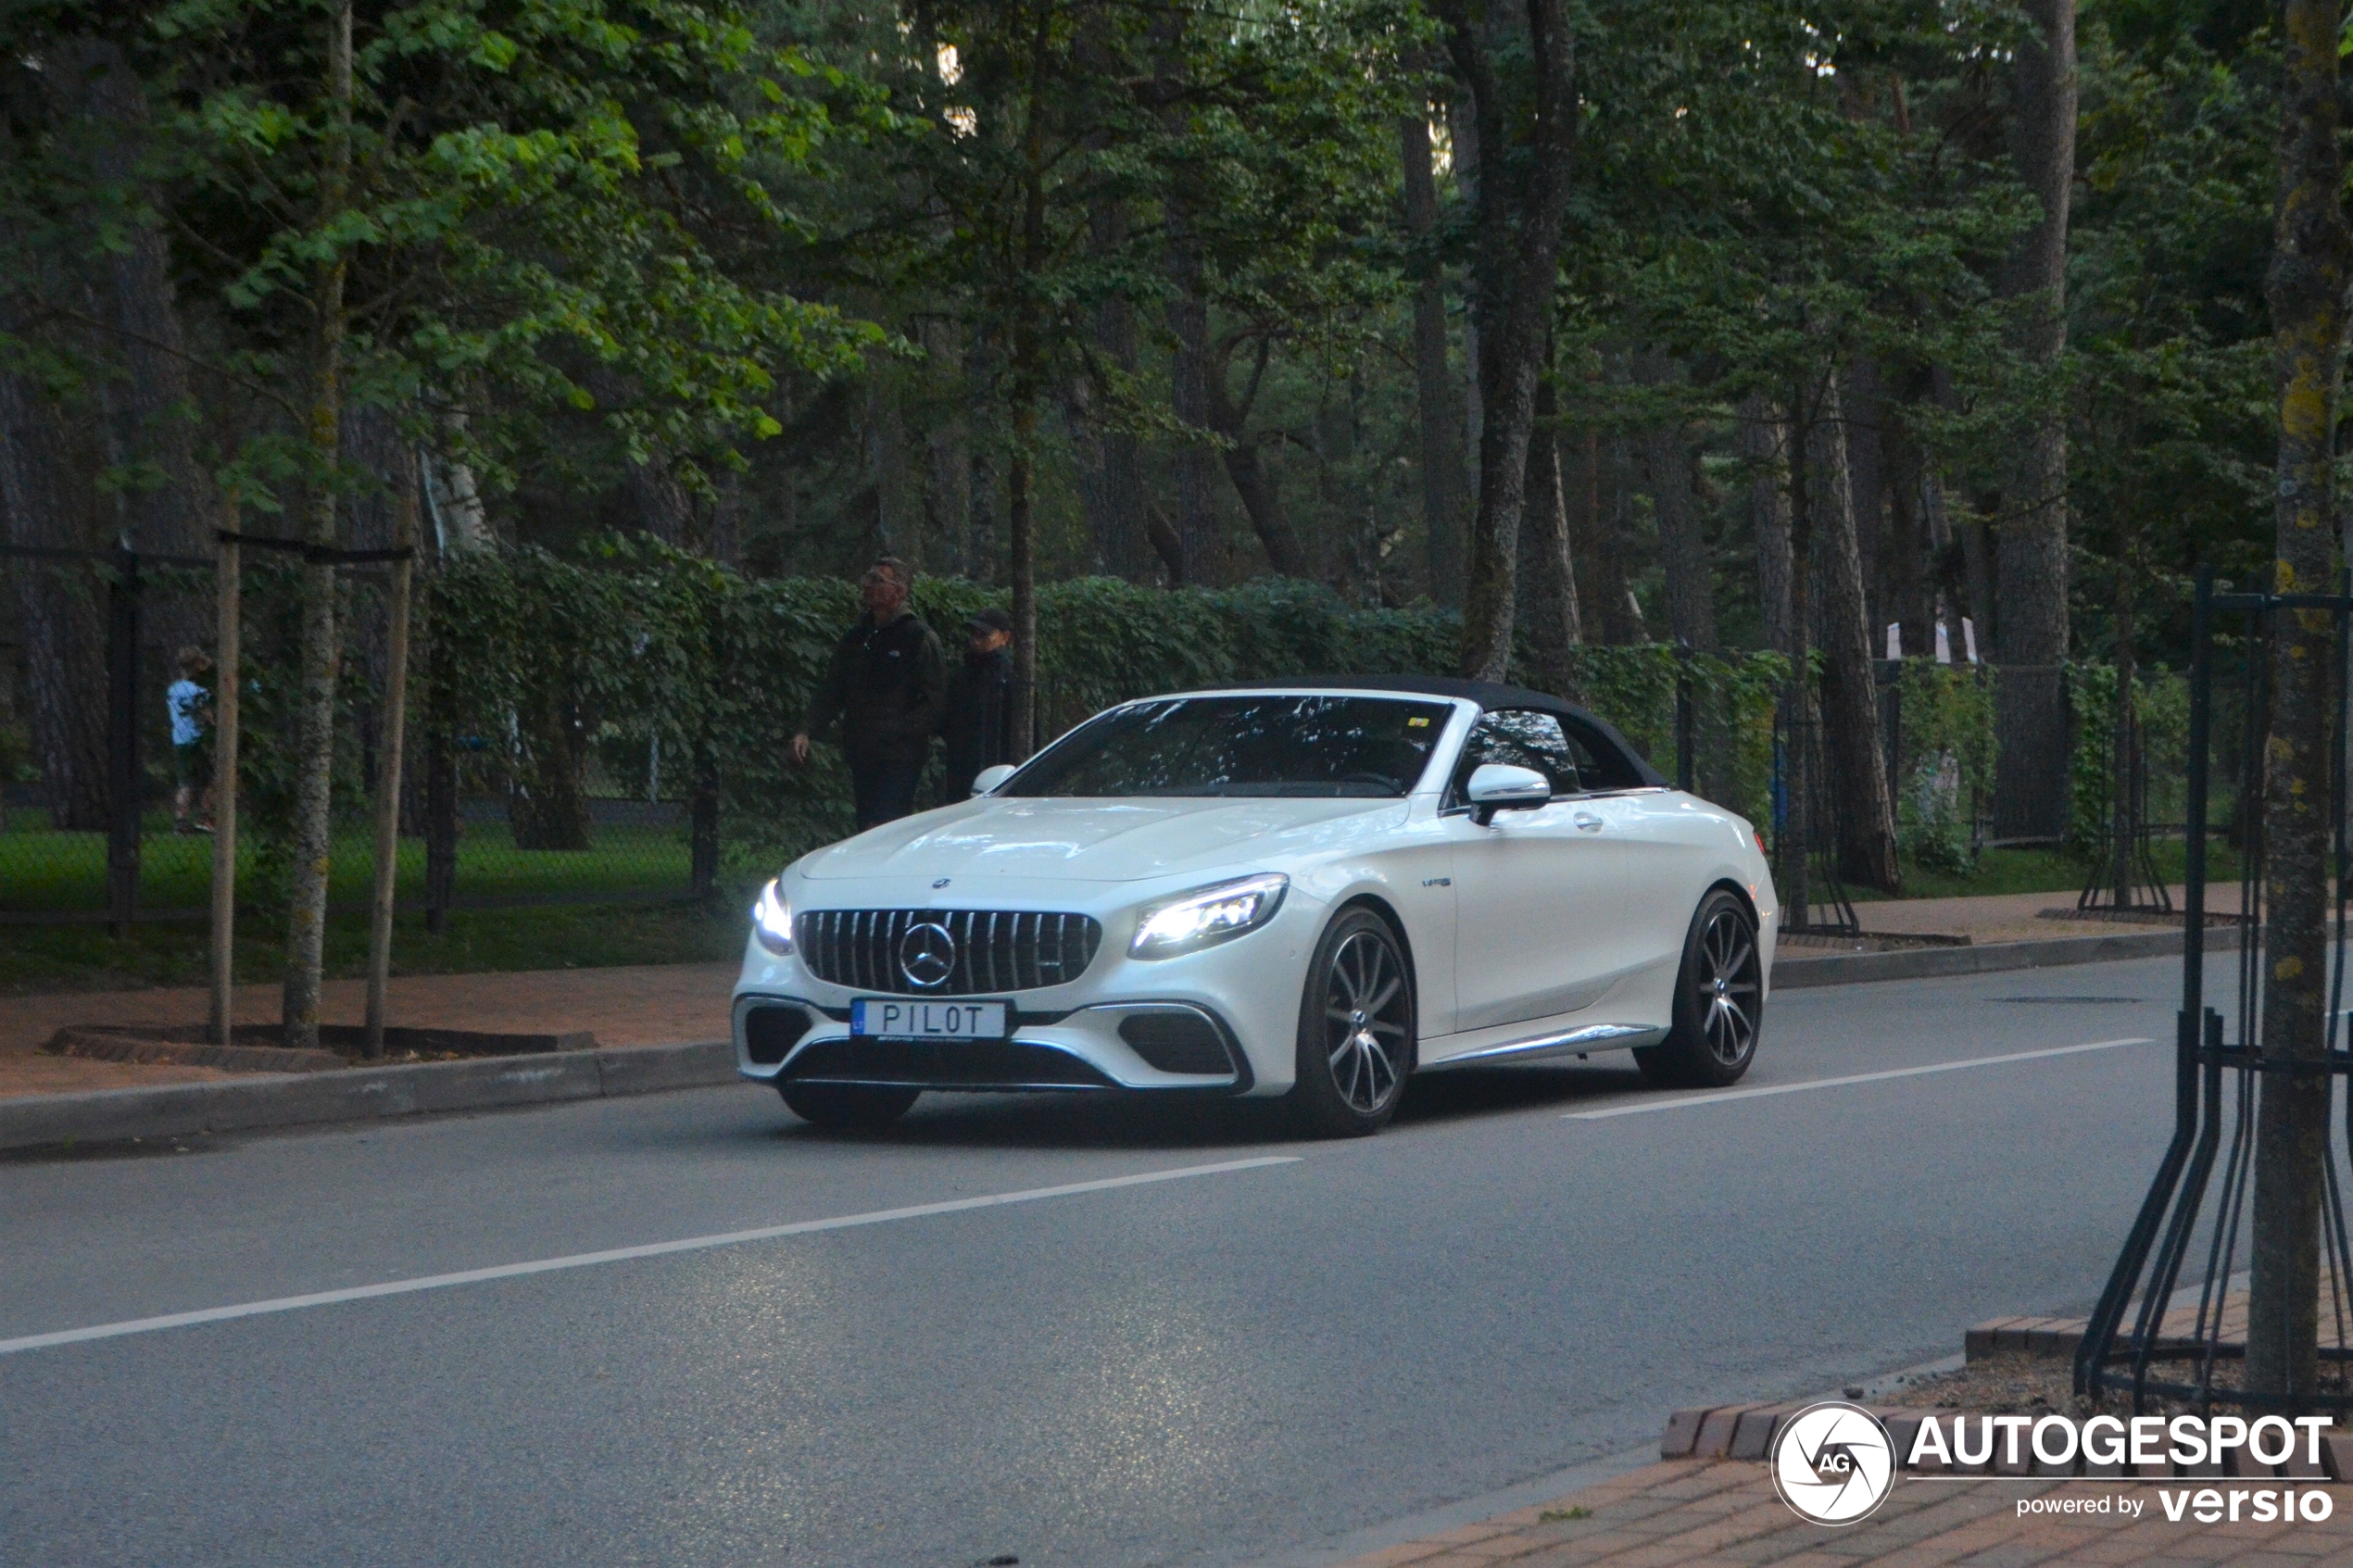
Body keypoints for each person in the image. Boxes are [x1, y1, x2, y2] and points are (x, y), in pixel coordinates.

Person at [791, 558, 947, 829]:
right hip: (861, 750)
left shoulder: (918, 637)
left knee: (889, 827)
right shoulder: (856, 638)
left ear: (899, 591)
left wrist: (901, 732)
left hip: (900, 757)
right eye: (868, 578)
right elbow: (834, 689)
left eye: (878, 580)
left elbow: (935, 700)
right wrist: (807, 729)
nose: (868, 585)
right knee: (866, 826)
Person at [941, 606, 1015, 801]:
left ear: (1005, 637)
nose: (975, 641)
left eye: (984, 635)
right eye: (973, 634)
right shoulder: (963, 675)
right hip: (962, 765)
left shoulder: (1009, 677)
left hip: (997, 765)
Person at [166, 646, 214, 834]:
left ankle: (181, 821)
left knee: (185, 783)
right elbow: (207, 713)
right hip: (197, 739)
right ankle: (206, 817)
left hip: (180, 739)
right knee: (213, 779)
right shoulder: (197, 690)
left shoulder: (174, 689)